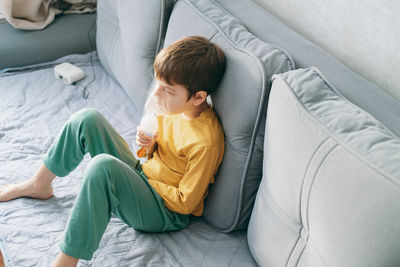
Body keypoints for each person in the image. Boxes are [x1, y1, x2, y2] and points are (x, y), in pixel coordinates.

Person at [0, 35, 226, 267]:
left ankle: (66, 261)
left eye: (167, 90)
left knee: (103, 167)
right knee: (87, 118)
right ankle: (39, 184)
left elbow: (185, 203)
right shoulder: (175, 109)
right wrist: (150, 147)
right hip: (145, 179)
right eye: (157, 84)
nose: (157, 94)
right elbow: (163, 157)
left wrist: (141, 180)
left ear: (198, 97)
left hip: (164, 211)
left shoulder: (205, 141)